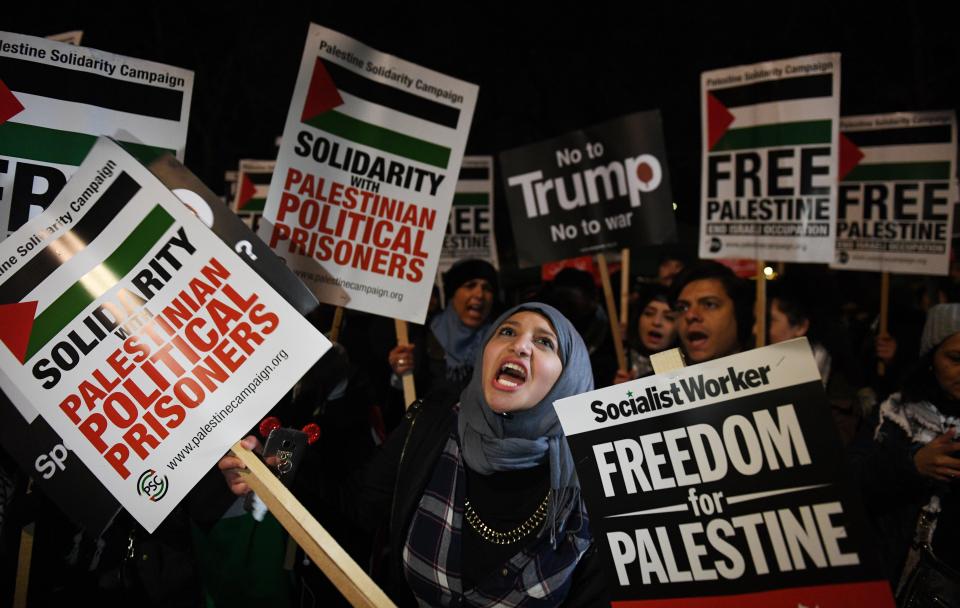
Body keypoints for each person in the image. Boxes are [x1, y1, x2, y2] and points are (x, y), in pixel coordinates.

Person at [220, 303, 607, 607]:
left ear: (570, 378)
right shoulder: (431, 424)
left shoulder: (596, 476)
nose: (519, 345)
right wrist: (273, 465)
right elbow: (358, 505)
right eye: (506, 331)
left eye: (544, 342)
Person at [848, 303, 960, 591]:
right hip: (890, 577)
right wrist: (913, 465)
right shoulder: (894, 414)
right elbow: (851, 482)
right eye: (955, 358)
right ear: (931, 357)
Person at [766, 277, 866, 444]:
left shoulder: (838, 388)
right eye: (756, 320)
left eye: (770, 321)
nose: (757, 329)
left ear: (800, 327)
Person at [388, 259, 498, 404]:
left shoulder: (501, 340)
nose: (479, 294)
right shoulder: (424, 334)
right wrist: (401, 374)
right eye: (470, 286)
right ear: (452, 295)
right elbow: (405, 398)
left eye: (487, 288)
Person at [669, 261, 753, 364]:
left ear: (740, 315)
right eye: (682, 308)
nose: (690, 315)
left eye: (710, 304)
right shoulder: (655, 379)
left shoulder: (775, 375)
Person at [613, 284, 678, 383]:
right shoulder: (615, 361)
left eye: (669, 317)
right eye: (649, 313)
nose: (656, 322)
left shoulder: (689, 367)